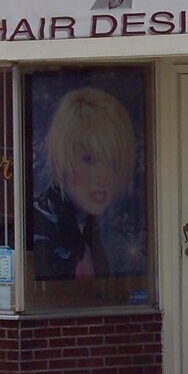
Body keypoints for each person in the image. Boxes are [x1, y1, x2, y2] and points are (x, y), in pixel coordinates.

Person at [30, 85, 136, 282]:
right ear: (63, 157)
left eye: (112, 162)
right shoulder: (45, 234)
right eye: (89, 160)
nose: (103, 177)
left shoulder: (87, 229)